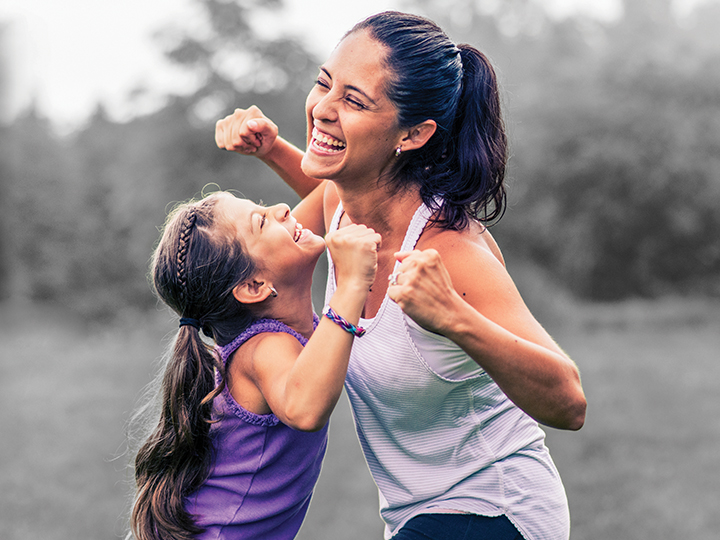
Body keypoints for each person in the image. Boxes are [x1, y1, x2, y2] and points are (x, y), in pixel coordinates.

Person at [215, 11, 587, 540]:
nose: (322, 108)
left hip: (495, 509)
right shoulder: (340, 206)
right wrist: (270, 148)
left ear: (412, 134)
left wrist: (454, 318)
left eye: (354, 101)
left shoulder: (449, 252)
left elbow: (569, 401)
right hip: (414, 515)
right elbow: (296, 227)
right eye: (324, 84)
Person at [127, 190, 381, 540]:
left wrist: (274, 149)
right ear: (254, 286)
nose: (282, 208)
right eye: (262, 219)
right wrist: (352, 285)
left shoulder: (271, 300)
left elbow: (332, 190)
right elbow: (305, 410)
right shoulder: (263, 348)